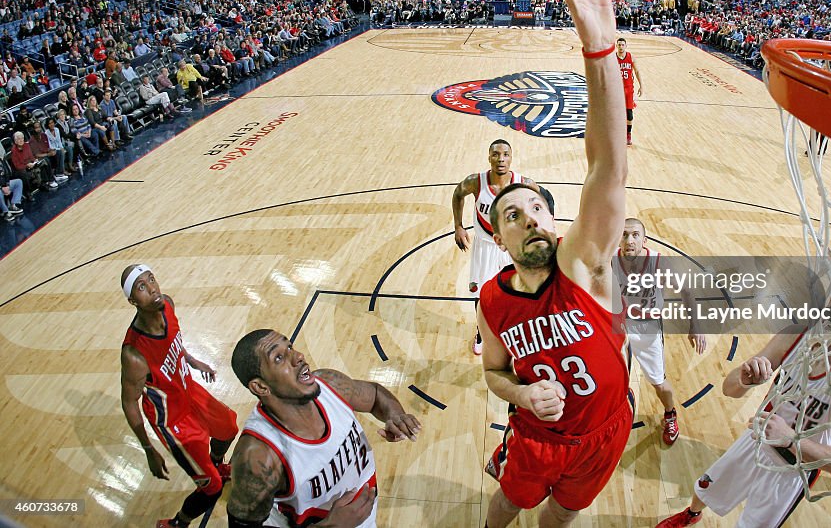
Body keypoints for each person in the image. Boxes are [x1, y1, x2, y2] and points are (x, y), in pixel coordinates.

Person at [477, 0, 632, 528]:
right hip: (536, 437)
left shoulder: (581, 264)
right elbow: (494, 371)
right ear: (499, 237)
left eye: (538, 208)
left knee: (561, 518)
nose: (530, 219)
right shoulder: (491, 301)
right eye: (513, 215)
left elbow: (609, 166)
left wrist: (599, 47)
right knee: (508, 506)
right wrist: (519, 398)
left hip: (603, 430)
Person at [656, 326, 831, 527]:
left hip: (793, 469)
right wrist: (744, 381)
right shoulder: (795, 337)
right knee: (707, 487)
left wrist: (790, 439)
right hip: (756, 439)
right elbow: (728, 389)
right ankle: (691, 514)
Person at [225, 329, 422, 527]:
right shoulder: (259, 457)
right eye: (279, 358)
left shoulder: (330, 384)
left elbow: (375, 395)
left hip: (360, 517)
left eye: (290, 347)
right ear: (260, 387)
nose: (298, 357)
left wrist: (395, 415)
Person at [119, 265, 238, 528]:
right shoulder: (134, 354)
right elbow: (129, 403)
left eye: (151, 279)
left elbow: (174, 341)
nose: (152, 288)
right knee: (211, 488)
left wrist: (193, 361)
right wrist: (149, 449)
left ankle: (216, 464)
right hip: (172, 418)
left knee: (228, 428)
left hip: (189, 391)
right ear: (133, 301)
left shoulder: (167, 305)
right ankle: (177, 524)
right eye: (141, 287)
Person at [613, 218, 705, 446]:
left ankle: (670, 414)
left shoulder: (657, 262)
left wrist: (696, 326)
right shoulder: (610, 260)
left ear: (644, 240)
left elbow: (686, 290)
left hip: (648, 328)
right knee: (608, 375)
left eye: (635, 235)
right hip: (619, 325)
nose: (629, 240)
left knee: (658, 382)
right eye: (624, 235)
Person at [452, 139, 535, 355]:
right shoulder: (476, 182)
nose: (501, 159)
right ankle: (481, 332)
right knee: (481, 294)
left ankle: (515, 334)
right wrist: (458, 226)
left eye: (506, 154)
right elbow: (458, 194)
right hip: (486, 246)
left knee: (518, 292)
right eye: (496, 154)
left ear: (511, 157)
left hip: (512, 248)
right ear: (489, 157)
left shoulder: (523, 183)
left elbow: (541, 205)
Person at [615, 38, 643, 146]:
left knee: (629, 115)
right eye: (619, 45)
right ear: (616, 46)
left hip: (628, 89)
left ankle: (628, 134)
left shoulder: (631, 57)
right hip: (616, 89)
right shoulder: (613, 58)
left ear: (626, 46)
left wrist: (641, 86)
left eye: (622, 45)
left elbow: (637, 71)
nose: (621, 47)